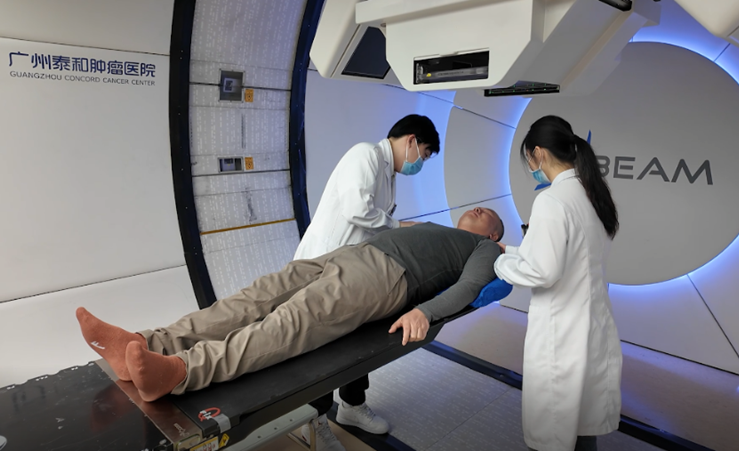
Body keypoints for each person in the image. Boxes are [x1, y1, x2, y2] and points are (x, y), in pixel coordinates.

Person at [75, 207, 504, 410]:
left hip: (385, 277)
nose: (480, 209)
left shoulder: (485, 249)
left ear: (494, 234)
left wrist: (425, 313)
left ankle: (180, 371)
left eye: (490, 216)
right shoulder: (436, 225)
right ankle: (145, 343)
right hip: (348, 255)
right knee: (252, 299)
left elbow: (470, 287)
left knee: (288, 324)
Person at [294, 114, 440, 450]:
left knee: (358, 338)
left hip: (351, 272)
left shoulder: (388, 173)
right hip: (323, 266)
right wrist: (401, 227)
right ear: (411, 140)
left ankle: (352, 405)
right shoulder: (366, 155)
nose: (421, 163)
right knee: (324, 346)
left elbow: (374, 226)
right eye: (424, 154)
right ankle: (313, 420)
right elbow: (357, 210)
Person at [494, 115, 622, 451]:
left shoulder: (551, 200)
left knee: (553, 431)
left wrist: (500, 263)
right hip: (591, 324)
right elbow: (571, 253)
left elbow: (543, 271)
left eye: (528, 159)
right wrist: (512, 250)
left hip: (561, 333)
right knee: (581, 427)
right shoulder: (591, 193)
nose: (531, 167)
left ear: (538, 153)